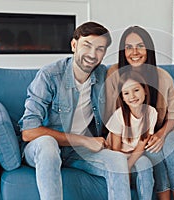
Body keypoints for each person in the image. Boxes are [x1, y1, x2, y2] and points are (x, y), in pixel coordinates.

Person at [18, 22, 131, 200]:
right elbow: (28, 131)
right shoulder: (49, 75)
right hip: (44, 149)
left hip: (77, 151)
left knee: (117, 161)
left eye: (100, 49)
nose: (93, 54)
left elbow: (131, 82)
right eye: (87, 45)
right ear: (74, 45)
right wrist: (84, 140)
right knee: (48, 144)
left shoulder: (104, 75)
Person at [105, 26, 174, 200]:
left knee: (168, 146)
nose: (134, 52)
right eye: (129, 47)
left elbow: (173, 116)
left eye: (140, 46)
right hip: (138, 135)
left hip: (167, 129)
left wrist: (160, 134)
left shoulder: (163, 77)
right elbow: (111, 113)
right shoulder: (114, 74)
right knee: (153, 152)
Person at [106, 71, 156, 200]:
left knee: (146, 165)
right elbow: (115, 149)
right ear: (122, 97)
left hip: (136, 153)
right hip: (118, 155)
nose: (132, 96)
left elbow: (142, 143)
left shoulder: (151, 112)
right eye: (126, 93)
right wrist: (123, 167)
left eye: (136, 90)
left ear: (145, 90)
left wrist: (128, 166)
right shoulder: (119, 115)